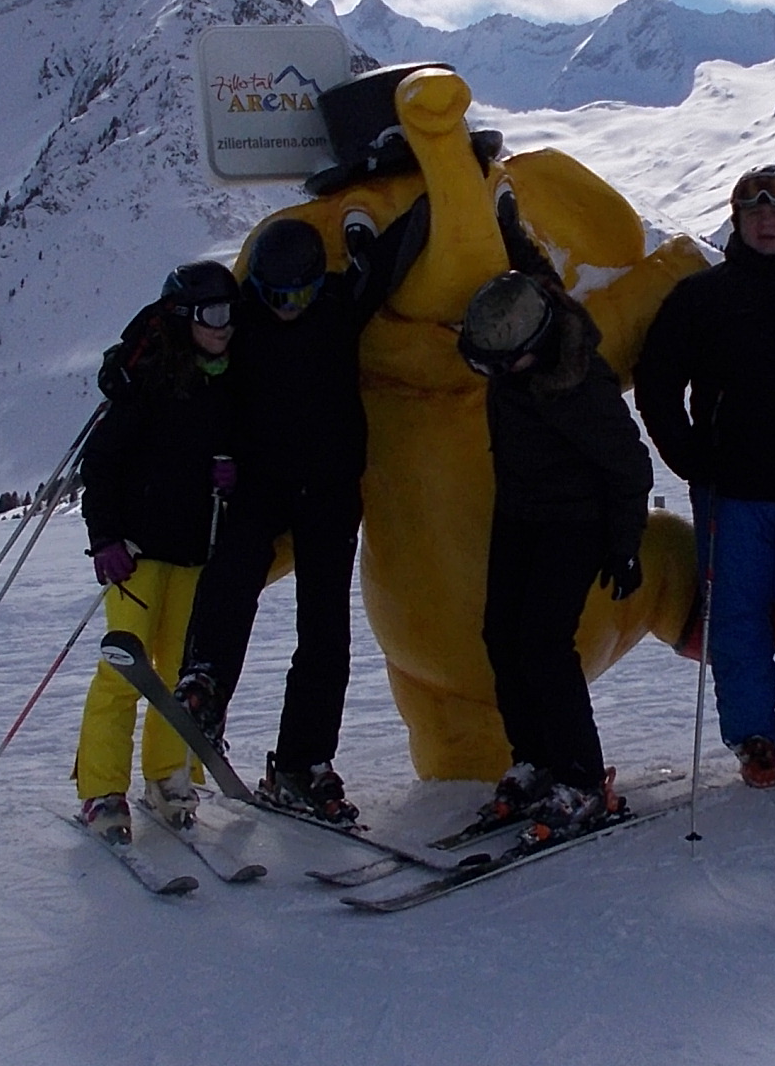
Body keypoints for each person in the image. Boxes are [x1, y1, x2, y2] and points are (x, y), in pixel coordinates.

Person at [175, 204, 424, 824]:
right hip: (260, 485)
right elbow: (175, 323)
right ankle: (204, 684)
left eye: (301, 292)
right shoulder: (244, 319)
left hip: (331, 493)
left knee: (325, 633)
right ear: (257, 286)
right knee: (233, 574)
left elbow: (395, 251)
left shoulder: (339, 305)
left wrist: (454, 166)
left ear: (319, 282)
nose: (289, 305)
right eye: (276, 294)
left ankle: (302, 762)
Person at [634, 163, 775, 789]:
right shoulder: (702, 296)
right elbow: (657, 383)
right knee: (737, 621)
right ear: (738, 221)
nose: (767, 221)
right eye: (754, 212)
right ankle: (753, 736)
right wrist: (688, 456)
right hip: (729, 491)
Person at [458, 262, 653, 839]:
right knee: (502, 634)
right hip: (519, 514)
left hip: (576, 523)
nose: (498, 375)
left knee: (544, 645)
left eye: (506, 365)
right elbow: (529, 269)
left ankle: (582, 779)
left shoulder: (579, 385)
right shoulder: (515, 337)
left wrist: (624, 547)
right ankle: (535, 761)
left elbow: (630, 467)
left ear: (539, 345)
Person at [71, 260, 238, 841]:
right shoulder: (147, 379)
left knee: (174, 673)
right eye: (215, 314)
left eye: (231, 313)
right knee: (125, 671)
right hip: (139, 554)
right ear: (186, 317)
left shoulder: (222, 376)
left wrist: (229, 470)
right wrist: (105, 540)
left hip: (193, 549)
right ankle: (100, 791)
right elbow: (103, 463)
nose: (225, 325)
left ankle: (169, 775)